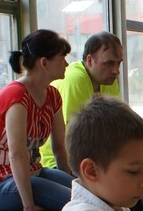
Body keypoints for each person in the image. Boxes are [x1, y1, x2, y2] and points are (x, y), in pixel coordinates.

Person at [0, 29, 75, 211]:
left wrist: (69, 181)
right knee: (78, 203)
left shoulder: (52, 95)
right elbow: (17, 154)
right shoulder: (17, 96)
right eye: (62, 58)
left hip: (33, 172)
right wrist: (28, 204)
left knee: (87, 192)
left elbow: (59, 147)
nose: (67, 64)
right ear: (44, 62)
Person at [39, 31, 124, 169]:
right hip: (59, 162)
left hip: (90, 157)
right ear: (89, 60)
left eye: (118, 63)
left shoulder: (108, 79)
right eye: (109, 63)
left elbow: (117, 124)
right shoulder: (75, 80)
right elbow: (75, 138)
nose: (116, 70)